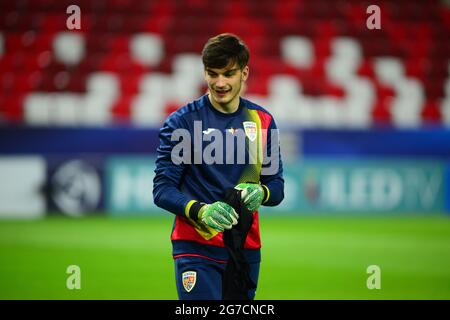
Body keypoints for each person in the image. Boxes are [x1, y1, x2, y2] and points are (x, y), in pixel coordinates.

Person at [153, 33, 284, 300]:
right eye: (212, 74)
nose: (220, 82)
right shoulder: (183, 123)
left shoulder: (263, 121)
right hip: (196, 246)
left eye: (228, 74)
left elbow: (277, 187)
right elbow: (163, 189)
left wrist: (263, 193)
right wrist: (201, 211)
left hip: (245, 249)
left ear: (244, 73)